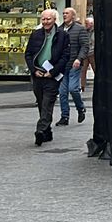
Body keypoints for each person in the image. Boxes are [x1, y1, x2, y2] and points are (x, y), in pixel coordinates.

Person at [24, 8, 70, 146]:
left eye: (48, 19)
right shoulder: (35, 34)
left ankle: (40, 130)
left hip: (52, 75)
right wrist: (33, 70)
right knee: (41, 102)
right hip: (38, 74)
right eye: (43, 19)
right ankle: (47, 131)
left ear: (55, 20)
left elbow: (65, 56)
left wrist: (54, 72)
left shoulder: (63, 35)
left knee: (47, 103)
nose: (45, 22)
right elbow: (28, 54)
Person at [56, 6, 91, 125]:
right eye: (63, 13)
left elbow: (85, 46)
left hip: (74, 64)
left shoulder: (80, 29)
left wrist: (79, 58)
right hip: (62, 65)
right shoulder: (59, 29)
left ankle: (80, 108)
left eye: (67, 13)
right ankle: (64, 116)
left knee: (73, 89)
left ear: (73, 16)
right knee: (62, 91)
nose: (64, 15)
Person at [83, 15, 95, 86]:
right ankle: (82, 85)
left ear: (91, 24)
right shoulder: (84, 31)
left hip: (92, 53)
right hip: (86, 53)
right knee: (83, 70)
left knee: (95, 68)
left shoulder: (94, 32)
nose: (85, 25)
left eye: (87, 23)